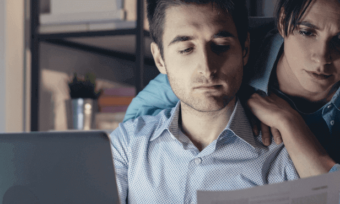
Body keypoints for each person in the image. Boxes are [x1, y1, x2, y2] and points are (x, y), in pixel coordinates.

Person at [110, 0, 300, 203]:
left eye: (221, 46)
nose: (207, 68)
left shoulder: (283, 157)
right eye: (185, 49)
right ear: (159, 59)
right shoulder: (128, 145)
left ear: (244, 49)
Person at [124, 0, 340, 178]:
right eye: (307, 32)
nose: (321, 57)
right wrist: (230, 101)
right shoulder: (225, 43)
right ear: (283, 21)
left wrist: (290, 122)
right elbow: (139, 124)